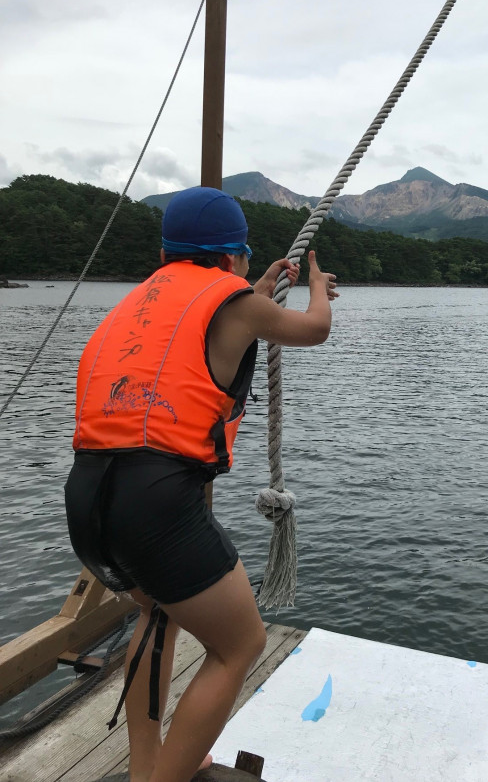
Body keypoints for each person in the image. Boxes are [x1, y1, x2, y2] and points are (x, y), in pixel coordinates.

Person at [64, 186, 338, 782]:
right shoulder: (236, 301)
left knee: (158, 614)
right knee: (240, 645)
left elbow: (206, 332)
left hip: (87, 495)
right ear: (234, 255)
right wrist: (318, 287)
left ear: (167, 251)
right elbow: (313, 329)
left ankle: (148, 767)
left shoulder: (138, 300)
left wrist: (256, 289)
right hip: (156, 503)